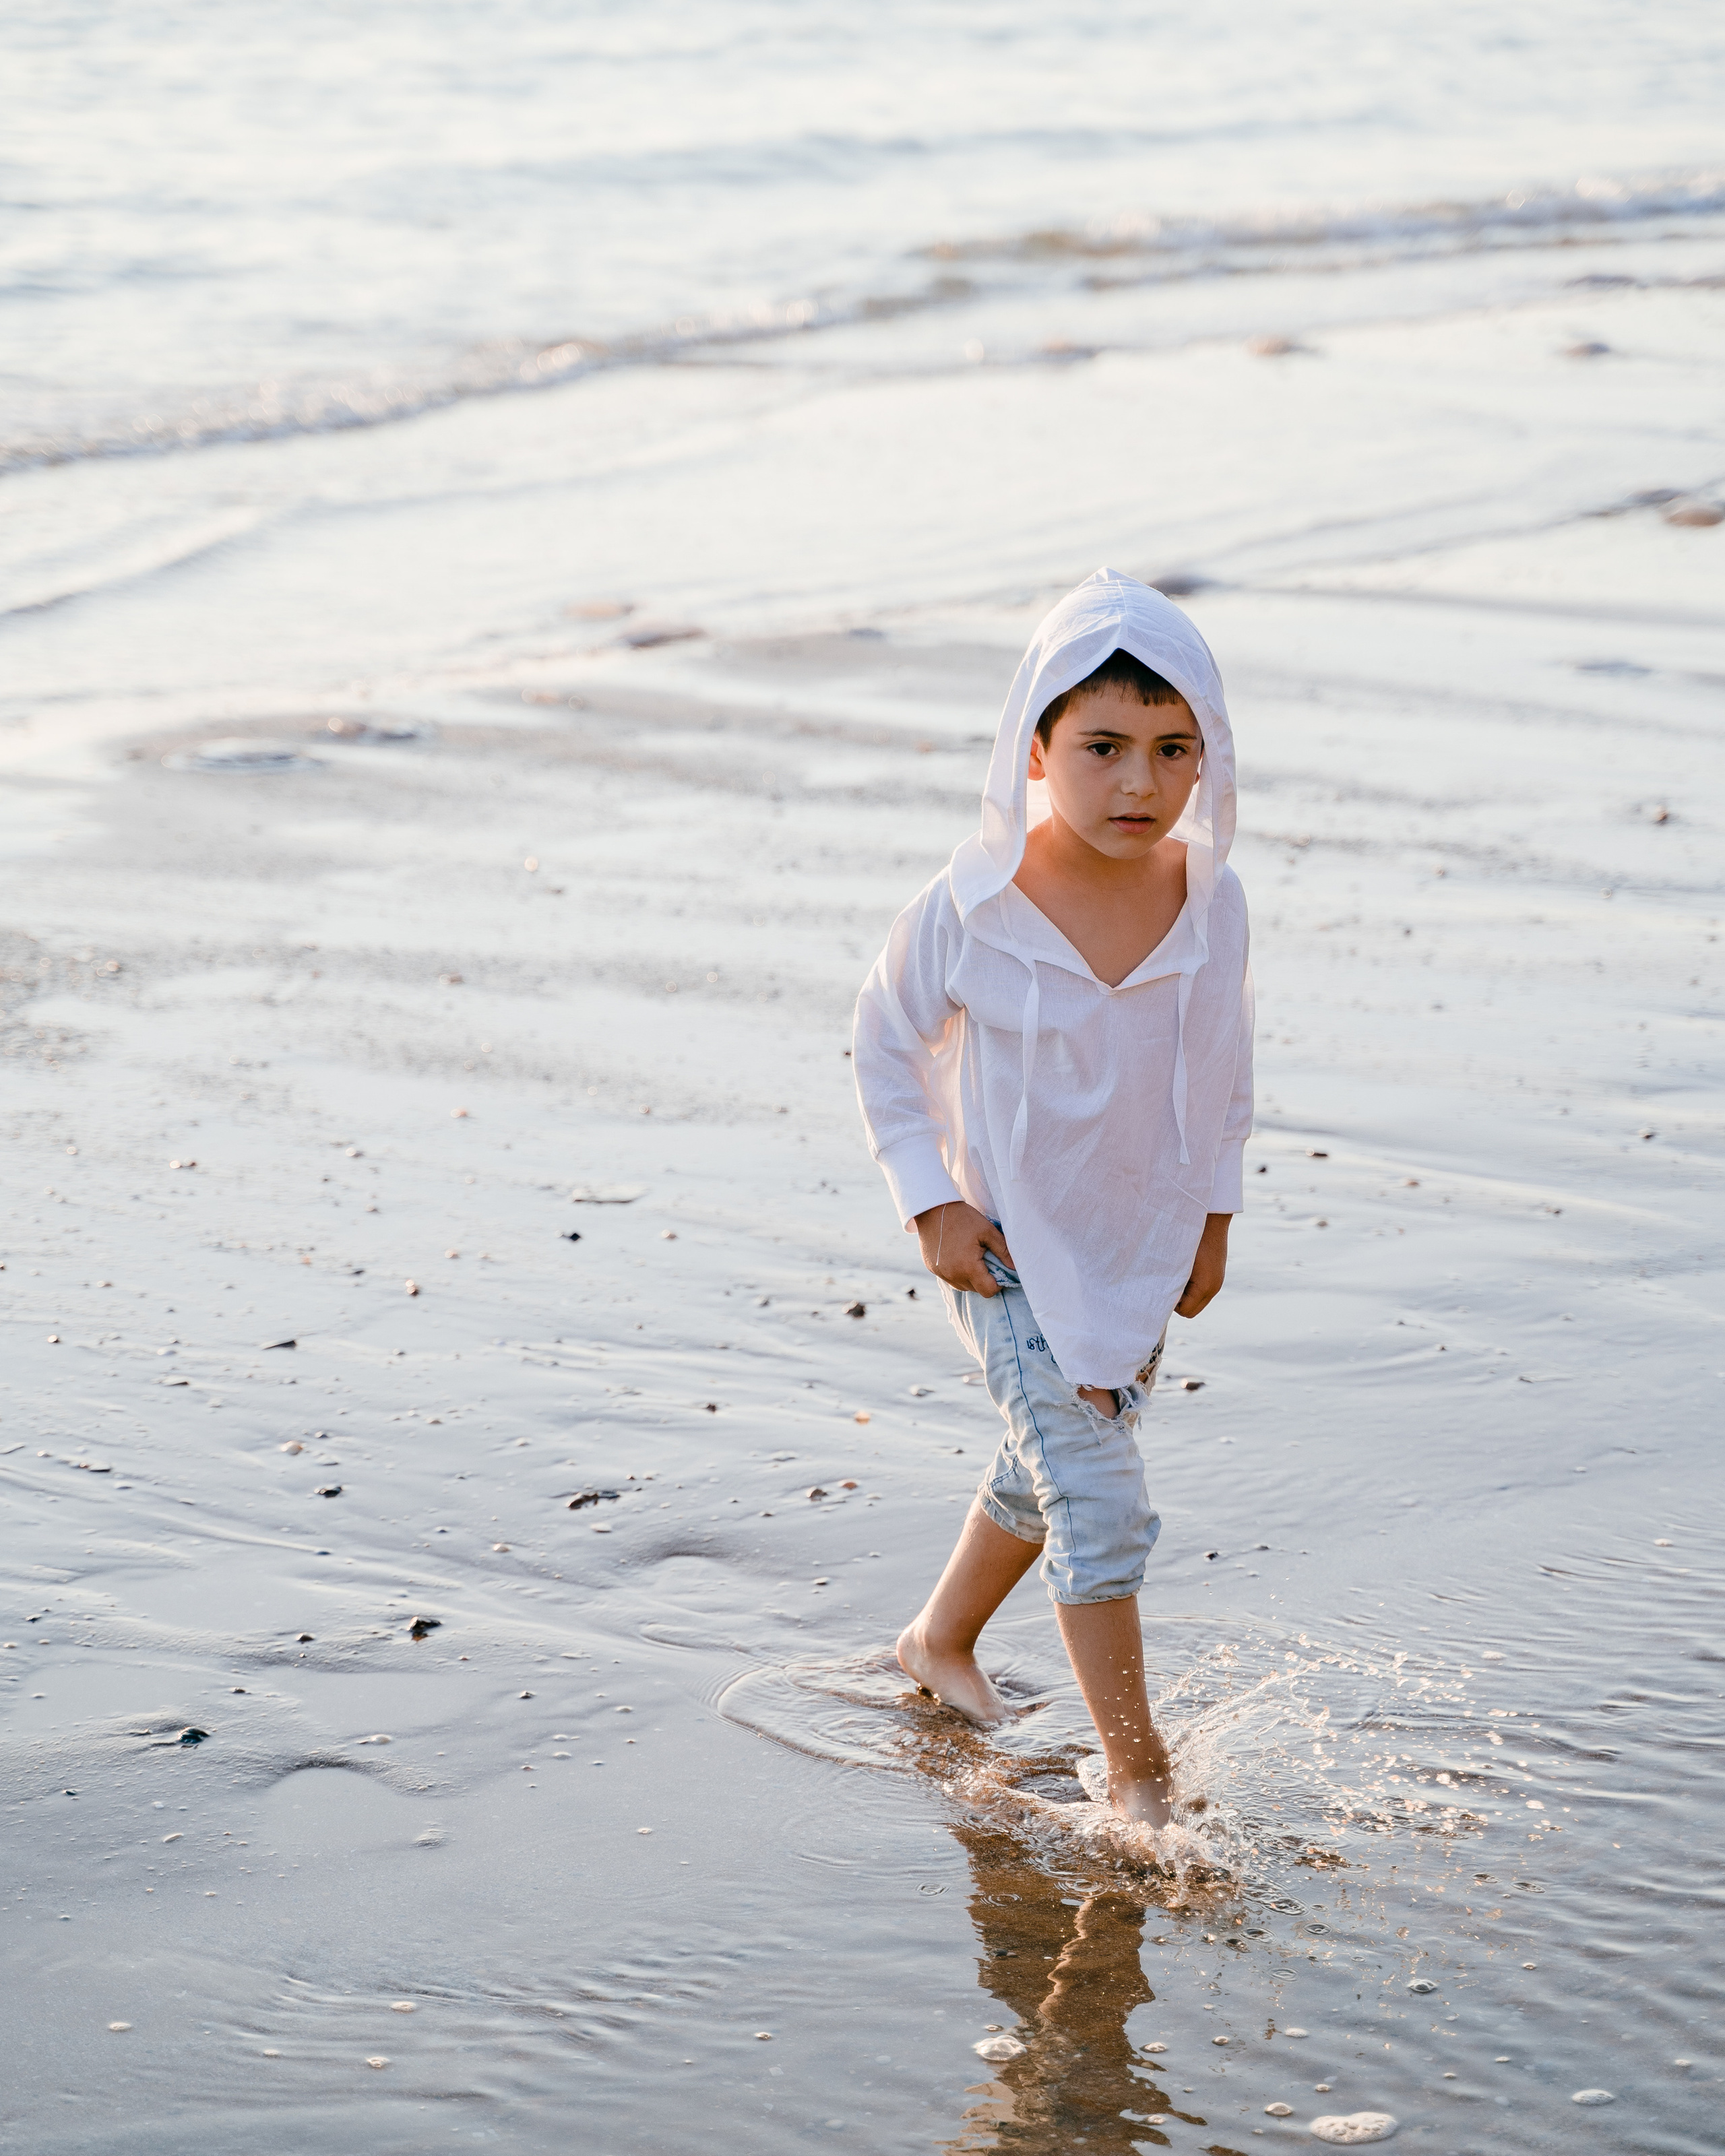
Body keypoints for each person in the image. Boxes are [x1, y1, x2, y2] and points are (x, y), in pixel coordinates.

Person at [851, 569, 1252, 1829]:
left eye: (1172, 749)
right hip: (1009, 1245)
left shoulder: (1207, 898)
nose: (1138, 782)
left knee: (1049, 1469)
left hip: (1132, 1238)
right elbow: (882, 1042)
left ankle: (936, 1641)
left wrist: (1215, 1214)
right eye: (1104, 748)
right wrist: (930, 1205)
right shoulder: (973, 904)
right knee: (1096, 1494)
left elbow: (1221, 1069)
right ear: (1037, 748)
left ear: (1208, 759)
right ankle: (1140, 1777)